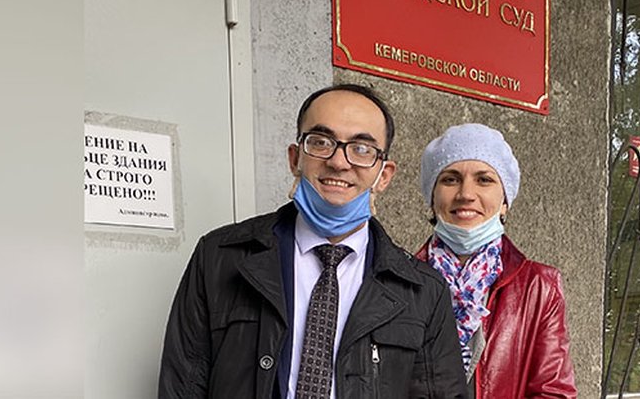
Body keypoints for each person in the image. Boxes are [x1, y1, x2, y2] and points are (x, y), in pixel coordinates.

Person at [158, 84, 467, 399]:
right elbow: (182, 386)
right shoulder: (221, 257)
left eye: (362, 148)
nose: (338, 162)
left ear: (383, 175)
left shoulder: (422, 290)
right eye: (320, 142)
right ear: (295, 158)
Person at [415, 123, 577, 399]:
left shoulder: (539, 287)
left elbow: (553, 392)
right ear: (432, 197)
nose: (466, 194)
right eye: (450, 179)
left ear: (505, 202)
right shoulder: (398, 277)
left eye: (484, 179)